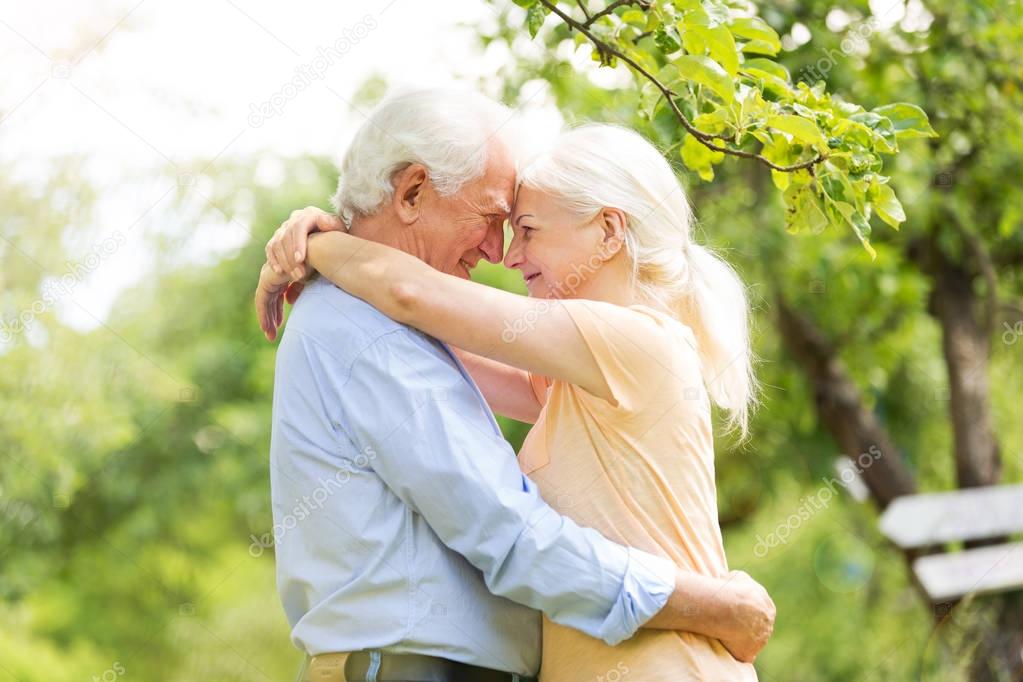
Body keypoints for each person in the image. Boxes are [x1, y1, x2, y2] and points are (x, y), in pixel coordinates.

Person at [257, 89, 774, 682]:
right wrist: (320, 246)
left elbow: (414, 297)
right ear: (413, 192)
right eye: (498, 222)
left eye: (525, 229)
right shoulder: (560, 383)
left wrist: (319, 245)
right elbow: (426, 317)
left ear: (608, 232)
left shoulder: (635, 343)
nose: (505, 253)